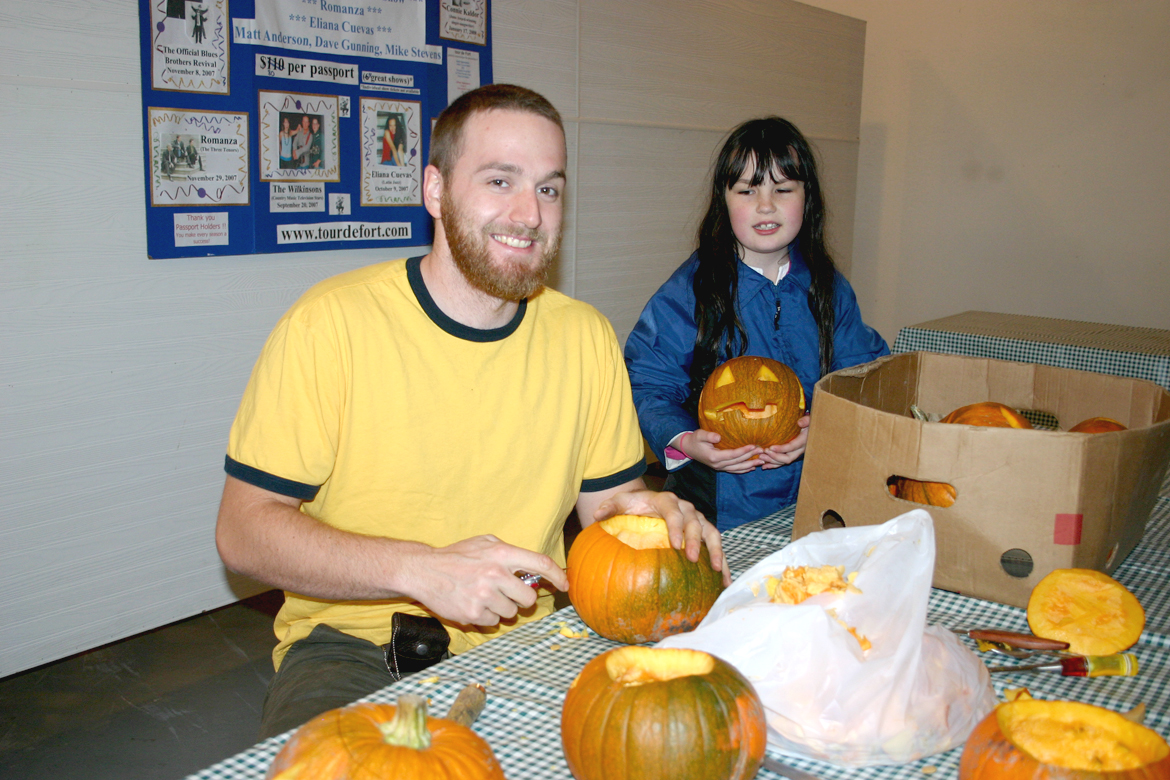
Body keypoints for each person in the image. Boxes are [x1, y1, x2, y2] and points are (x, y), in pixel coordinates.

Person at [215, 83, 726, 740]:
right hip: (356, 651)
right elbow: (243, 531)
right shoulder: (329, 325)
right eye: (499, 181)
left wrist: (654, 515)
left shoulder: (586, 336)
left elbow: (609, 507)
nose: (530, 213)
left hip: (532, 644)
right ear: (435, 190)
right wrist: (420, 570)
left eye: (549, 189)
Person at [624, 116, 888, 531]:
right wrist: (687, 441)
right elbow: (647, 380)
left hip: (814, 494)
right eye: (747, 190)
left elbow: (867, 376)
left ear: (808, 199)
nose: (766, 205)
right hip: (713, 501)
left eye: (783, 190)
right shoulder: (692, 290)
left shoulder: (828, 289)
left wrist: (822, 425)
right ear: (724, 200)